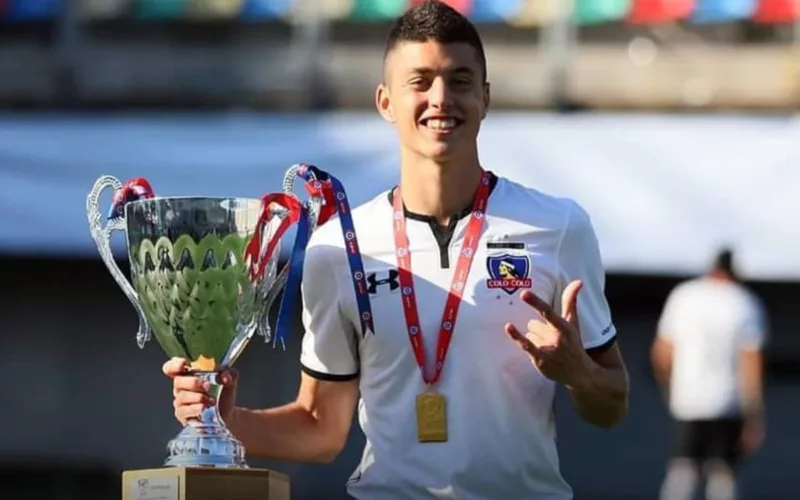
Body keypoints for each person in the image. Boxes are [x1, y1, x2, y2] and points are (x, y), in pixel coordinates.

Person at [165, 2, 629, 498]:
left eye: (460, 80)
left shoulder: (557, 225)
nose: (441, 98)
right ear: (385, 102)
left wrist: (579, 373)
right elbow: (321, 428)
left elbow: (612, 405)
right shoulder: (337, 248)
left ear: (486, 98)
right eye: (421, 81)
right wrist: (224, 419)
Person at [651, 248, 768, 500]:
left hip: (688, 399)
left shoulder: (683, 296)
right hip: (729, 402)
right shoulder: (745, 302)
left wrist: (670, 391)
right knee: (723, 472)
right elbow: (751, 362)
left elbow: (661, 353)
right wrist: (755, 415)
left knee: (683, 467)